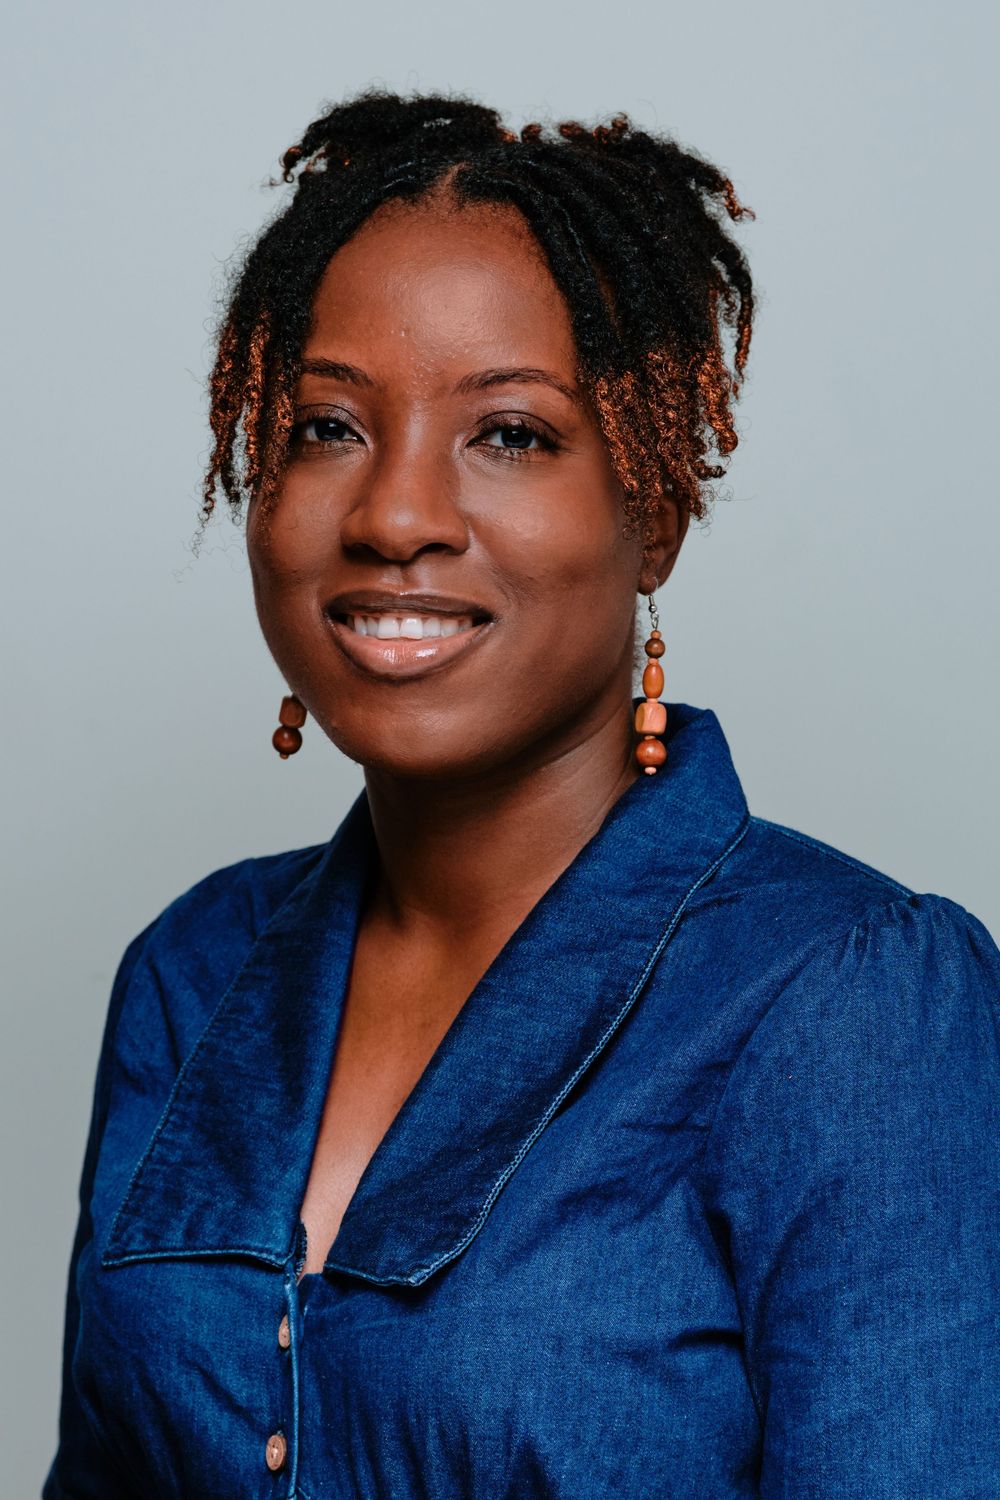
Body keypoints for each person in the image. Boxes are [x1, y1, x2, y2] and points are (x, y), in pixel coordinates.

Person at [44, 89, 1000, 1499]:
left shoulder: (853, 1004)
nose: (394, 514)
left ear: (654, 506)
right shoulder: (191, 976)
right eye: (325, 426)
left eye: (510, 434)